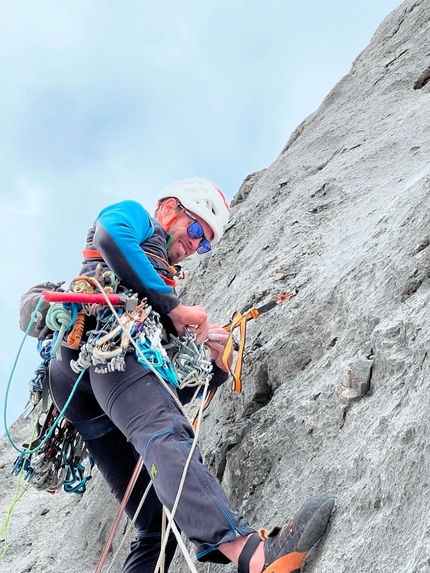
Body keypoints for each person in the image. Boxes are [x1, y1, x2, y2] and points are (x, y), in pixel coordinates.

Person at [46, 177, 334, 573]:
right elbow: (111, 235)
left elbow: (156, 393)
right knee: (166, 432)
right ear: (168, 209)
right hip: (102, 350)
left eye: (205, 243)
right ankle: (252, 555)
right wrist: (174, 309)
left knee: (156, 524)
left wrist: (213, 371)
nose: (196, 246)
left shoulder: (155, 290)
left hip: (85, 389)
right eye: (196, 229)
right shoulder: (136, 218)